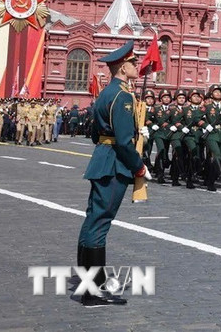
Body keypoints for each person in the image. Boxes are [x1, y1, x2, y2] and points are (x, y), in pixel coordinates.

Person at [76, 40, 151, 307]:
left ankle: (89, 285)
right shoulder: (123, 96)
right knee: (100, 223)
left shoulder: (107, 94)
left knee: (92, 221)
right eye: (133, 63)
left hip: (102, 159)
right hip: (114, 165)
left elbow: (97, 133)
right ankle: (92, 292)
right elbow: (122, 140)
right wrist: (138, 165)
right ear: (122, 68)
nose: (136, 66)